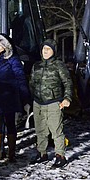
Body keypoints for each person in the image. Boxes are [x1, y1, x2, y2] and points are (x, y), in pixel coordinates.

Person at [0, 33, 29, 163]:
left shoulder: (12, 59)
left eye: (0, 45)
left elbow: (20, 76)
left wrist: (24, 94)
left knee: (10, 123)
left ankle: (11, 153)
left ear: (5, 47)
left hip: (9, 95)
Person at [29, 38, 73, 169]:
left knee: (56, 131)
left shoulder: (59, 65)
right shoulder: (36, 65)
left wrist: (67, 98)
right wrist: (33, 96)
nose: (45, 51)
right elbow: (31, 83)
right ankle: (42, 153)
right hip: (38, 102)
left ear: (53, 51)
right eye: (44, 49)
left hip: (54, 103)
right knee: (40, 130)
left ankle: (60, 156)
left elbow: (68, 83)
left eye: (48, 49)